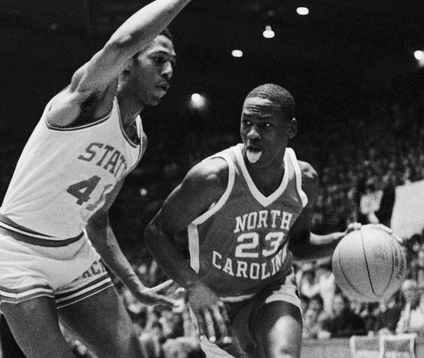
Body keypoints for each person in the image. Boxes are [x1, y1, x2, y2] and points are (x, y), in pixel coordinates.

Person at [0, 0, 241, 358]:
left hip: (72, 252)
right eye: (158, 59)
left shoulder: (136, 141)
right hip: (17, 250)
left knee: (130, 351)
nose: (169, 70)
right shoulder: (86, 100)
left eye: (173, 63)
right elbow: (121, 42)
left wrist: (134, 285)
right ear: (128, 66)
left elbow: (97, 220)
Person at [145, 84, 361, 358]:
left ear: (290, 129)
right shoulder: (213, 178)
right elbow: (156, 232)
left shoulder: (304, 181)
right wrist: (193, 286)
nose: (252, 134)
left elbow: (297, 244)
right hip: (217, 301)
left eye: (265, 125)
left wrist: (341, 241)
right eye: (246, 122)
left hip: (272, 289)